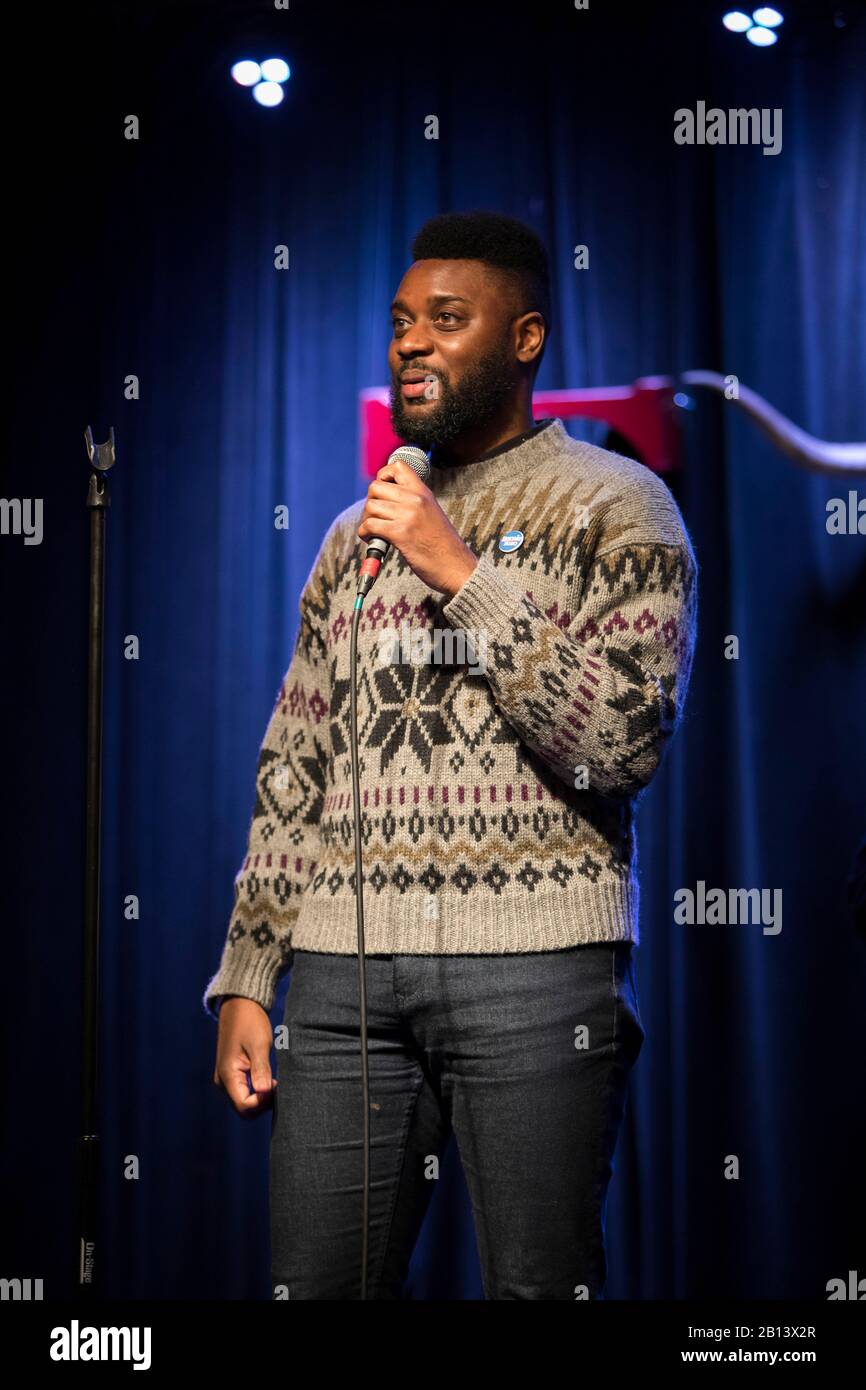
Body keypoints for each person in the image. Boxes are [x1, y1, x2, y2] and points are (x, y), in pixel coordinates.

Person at [204, 210, 698, 1300]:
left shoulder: (621, 504)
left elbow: (620, 741)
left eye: (444, 320)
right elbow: (296, 760)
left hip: (535, 971)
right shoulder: (352, 536)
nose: (409, 344)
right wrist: (247, 974)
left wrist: (458, 569)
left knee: (537, 1286)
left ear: (523, 340)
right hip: (343, 982)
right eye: (399, 323)